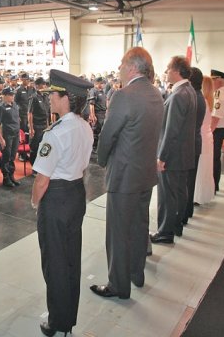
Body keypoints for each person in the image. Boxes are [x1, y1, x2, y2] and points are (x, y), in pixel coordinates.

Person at [90, 47, 164, 299]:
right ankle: (136, 274)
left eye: (122, 64)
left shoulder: (124, 95)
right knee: (138, 226)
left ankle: (119, 286)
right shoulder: (156, 93)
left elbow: (108, 134)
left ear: (132, 67)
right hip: (145, 174)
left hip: (124, 175)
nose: (119, 68)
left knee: (118, 233)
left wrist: (101, 160)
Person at [31, 69, 93, 337]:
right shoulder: (85, 127)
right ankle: (68, 317)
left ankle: (58, 322)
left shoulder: (54, 133)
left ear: (65, 97)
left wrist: (36, 203)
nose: (49, 99)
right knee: (70, 259)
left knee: (54, 262)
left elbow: (42, 180)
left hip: (55, 199)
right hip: (76, 194)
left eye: (53, 95)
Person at [151, 56, 196, 243]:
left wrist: (162, 156)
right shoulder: (189, 90)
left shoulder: (178, 95)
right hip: (183, 153)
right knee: (178, 193)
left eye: (168, 69)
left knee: (167, 196)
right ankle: (175, 225)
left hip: (173, 155)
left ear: (177, 71)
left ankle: (165, 232)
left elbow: (172, 130)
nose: (166, 72)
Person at [184, 67, 206, 223]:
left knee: (186, 184)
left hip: (189, 145)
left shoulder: (194, 98)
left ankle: (184, 213)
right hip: (194, 143)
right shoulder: (198, 96)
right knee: (189, 183)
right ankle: (187, 211)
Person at [193, 76, 216, 206]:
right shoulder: (209, 101)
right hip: (207, 136)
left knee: (201, 167)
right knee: (205, 167)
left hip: (202, 136)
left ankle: (197, 195)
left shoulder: (202, 101)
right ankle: (200, 194)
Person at [210, 69, 224, 193]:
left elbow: (215, 117)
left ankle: (213, 185)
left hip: (216, 130)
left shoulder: (220, 94)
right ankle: (215, 184)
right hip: (221, 129)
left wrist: (209, 132)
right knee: (215, 158)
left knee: (213, 159)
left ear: (218, 80)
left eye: (213, 79)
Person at [0, 86, 21, 187]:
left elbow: (17, 119)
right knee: (6, 156)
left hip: (16, 134)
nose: (12, 96)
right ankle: (6, 178)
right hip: (7, 134)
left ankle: (11, 175)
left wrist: (19, 133)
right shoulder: (1, 107)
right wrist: (1, 138)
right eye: (10, 95)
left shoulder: (15, 105)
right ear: (4, 96)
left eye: (13, 95)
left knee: (13, 156)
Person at [28, 77, 50, 165]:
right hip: (36, 125)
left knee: (43, 146)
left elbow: (47, 113)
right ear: (37, 85)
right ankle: (33, 165)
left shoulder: (45, 96)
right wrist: (31, 128)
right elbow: (30, 113)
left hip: (44, 125)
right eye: (43, 84)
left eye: (45, 84)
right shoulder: (33, 97)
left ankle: (40, 164)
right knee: (35, 146)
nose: (45, 85)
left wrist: (48, 126)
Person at [88, 76, 107, 151]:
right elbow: (91, 104)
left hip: (103, 113)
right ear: (97, 83)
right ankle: (94, 147)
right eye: (102, 83)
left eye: (103, 83)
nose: (103, 85)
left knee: (101, 131)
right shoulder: (93, 91)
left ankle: (98, 147)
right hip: (97, 113)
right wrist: (93, 115)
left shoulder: (102, 92)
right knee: (96, 131)